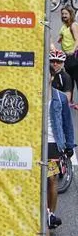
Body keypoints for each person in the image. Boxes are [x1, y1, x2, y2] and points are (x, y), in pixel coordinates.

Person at [46, 72, 75, 230]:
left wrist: (69, 145)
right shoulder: (31, 93)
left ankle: (50, 214)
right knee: (36, 180)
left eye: (47, 74)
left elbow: (67, 122)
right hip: (35, 143)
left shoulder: (61, 97)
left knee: (51, 179)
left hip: (52, 143)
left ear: (52, 77)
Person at [58, 6, 78, 93]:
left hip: (74, 56)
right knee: (69, 80)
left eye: (66, 14)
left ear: (70, 14)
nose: (64, 15)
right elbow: (63, 36)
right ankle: (70, 101)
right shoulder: (64, 26)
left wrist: (73, 51)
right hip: (67, 56)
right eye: (62, 14)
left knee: (76, 78)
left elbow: (77, 39)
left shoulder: (73, 25)